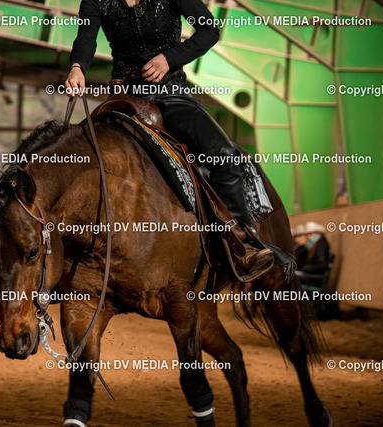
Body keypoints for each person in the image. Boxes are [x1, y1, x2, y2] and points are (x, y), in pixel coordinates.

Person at [64, 0, 273, 275]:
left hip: (171, 95)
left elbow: (209, 30)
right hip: (125, 98)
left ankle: (240, 245)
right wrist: (77, 66)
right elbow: (86, 36)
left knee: (224, 155)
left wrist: (170, 59)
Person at [293, 222, 331, 289]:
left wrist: (305, 269)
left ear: (318, 234)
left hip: (315, 277)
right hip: (311, 274)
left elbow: (322, 264)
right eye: (308, 234)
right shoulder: (315, 245)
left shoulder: (321, 245)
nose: (309, 237)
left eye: (311, 234)